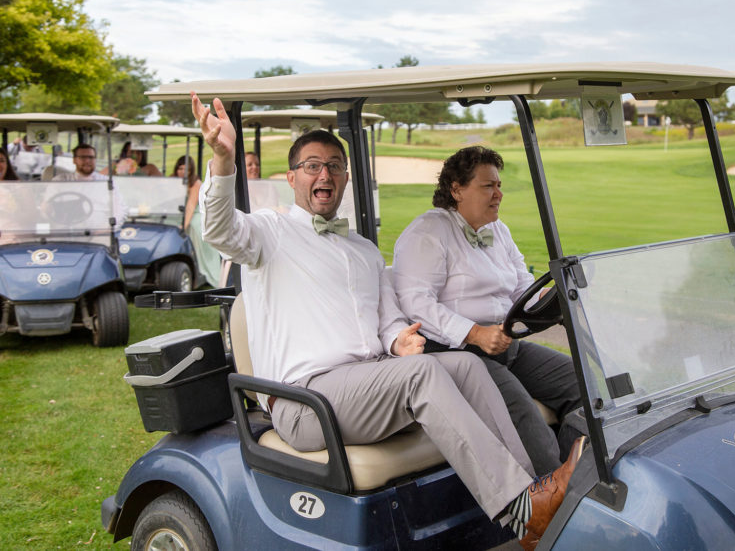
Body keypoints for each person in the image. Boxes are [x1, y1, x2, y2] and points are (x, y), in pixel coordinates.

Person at [192, 93, 584, 548]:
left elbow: (388, 320)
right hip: (306, 400)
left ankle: (534, 497)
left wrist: (399, 340)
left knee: (467, 365)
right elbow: (219, 228)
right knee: (423, 376)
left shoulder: (361, 250)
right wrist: (222, 160)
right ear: (292, 177)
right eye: (313, 165)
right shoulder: (268, 234)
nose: (325, 174)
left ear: (345, 177)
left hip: (365, 387)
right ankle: (522, 507)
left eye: (335, 166)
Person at [392, 146, 582, 476]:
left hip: (504, 344)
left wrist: (560, 304)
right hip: (457, 352)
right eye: (488, 186)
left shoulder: (498, 230)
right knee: (524, 414)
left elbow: (522, 285)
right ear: (456, 189)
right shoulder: (428, 233)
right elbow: (417, 303)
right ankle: (549, 503)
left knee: (581, 382)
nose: (499, 194)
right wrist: (476, 333)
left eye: (498, 185)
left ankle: (576, 478)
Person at [175, 154, 220, 286]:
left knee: (195, 226)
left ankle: (202, 269)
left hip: (196, 213)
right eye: (180, 168)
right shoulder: (174, 181)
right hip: (178, 213)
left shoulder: (195, 184)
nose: (182, 172)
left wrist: (184, 225)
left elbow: (190, 206)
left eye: (185, 169)